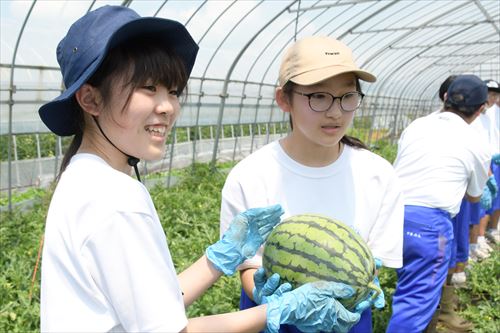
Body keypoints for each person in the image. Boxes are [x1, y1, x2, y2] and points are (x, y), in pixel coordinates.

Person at [38, 6, 362, 333]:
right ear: (90, 100)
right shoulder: (115, 200)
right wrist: (279, 311)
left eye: (173, 92)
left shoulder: (86, 178)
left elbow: (154, 310)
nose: (167, 107)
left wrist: (220, 258)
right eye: (148, 88)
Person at [219, 35, 404, 333]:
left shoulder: (378, 175)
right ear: (284, 99)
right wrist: (272, 298)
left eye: (347, 97)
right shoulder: (250, 174)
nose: (335, 112)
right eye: (318, 96)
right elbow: (248, 266)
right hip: (272, 318)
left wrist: (362, 285)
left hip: (345, 319)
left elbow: (373, 267)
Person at [386, 74, 491, 333]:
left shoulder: (417, 126)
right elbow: (475, 196)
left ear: (445, 97)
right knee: (414, 303)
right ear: (481, 110)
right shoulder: (476, 142)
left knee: (409, 287)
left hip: (392, 215)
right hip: (430, 226)